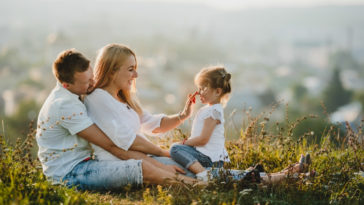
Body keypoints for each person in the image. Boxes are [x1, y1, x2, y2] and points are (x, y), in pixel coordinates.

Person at [36, 48, 199, 191]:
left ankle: (203, 179)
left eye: (92, 77)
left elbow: (148, 123)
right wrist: (161, 160)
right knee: (141, 168)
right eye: (86, 82)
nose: (92, 84)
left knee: (183, 162)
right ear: (66, 85)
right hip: (70, 173)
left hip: (86, 163)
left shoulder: (78, 95)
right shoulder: (65, 105)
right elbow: (110, 144)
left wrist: (181, 117)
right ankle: (196, 186)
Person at [170, 66, 313, 183]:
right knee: (243, 175)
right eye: (199, 88)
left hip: (207, 160)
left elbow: (203, 139)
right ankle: (297, 172)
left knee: (175, 148)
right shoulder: (211, 110)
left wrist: (183, 143)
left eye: (203, 88)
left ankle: (204, 175)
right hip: (209, 159)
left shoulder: (212, 112)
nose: (199, 91)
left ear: (217, 91)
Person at [84, 43, 198, 176]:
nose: (136, 75)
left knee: (199, 161)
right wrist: (164, 153)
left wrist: (183, 115)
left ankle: (224, 176)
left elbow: (154, 124)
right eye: (131, 69)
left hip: (147, 159)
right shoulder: (97, 98)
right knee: (192, 171)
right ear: (112, 71)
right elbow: (127, 140)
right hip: (124, 164)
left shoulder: (124, 99)